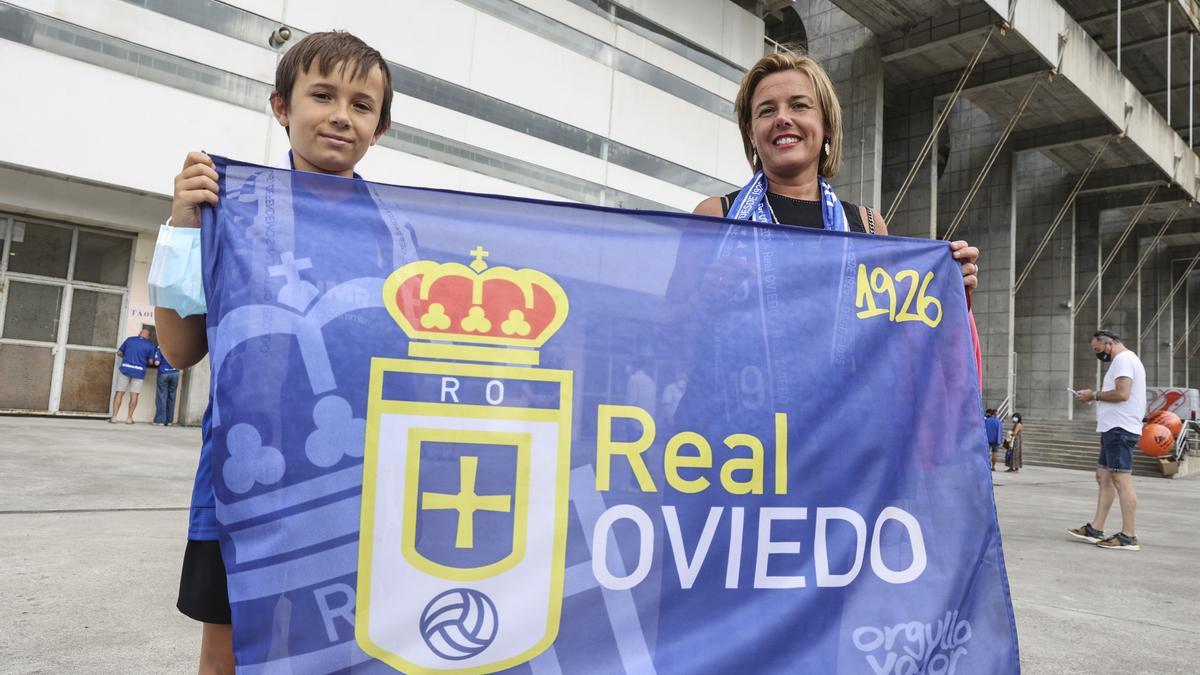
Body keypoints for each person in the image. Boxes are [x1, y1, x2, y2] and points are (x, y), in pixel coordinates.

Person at [153, 31, 395, 674]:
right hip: (245, 483)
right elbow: (179, 350)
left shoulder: (398, 231)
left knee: (348, 651)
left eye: (362, 104)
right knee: (228, 656)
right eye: (322, 94)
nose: (342, 114)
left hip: (359, 490)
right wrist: (183, 223)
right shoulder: (228, 207)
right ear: (281, 107)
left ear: (380, 128)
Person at [692, 51, 980, 295]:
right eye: (766, 111)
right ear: (751, 134)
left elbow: (890, 330)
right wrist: (704, 297)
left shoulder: (869, 226)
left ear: (827, 124)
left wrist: (949, 291)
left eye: (799, 105)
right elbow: (670, 334)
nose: (782, 118)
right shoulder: (715, 217)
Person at [1069, 330, 1146, 551]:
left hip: (1120, 429)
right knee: (1103, 476)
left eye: (1098, 349)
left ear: (1109, 344)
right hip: (1112, 429)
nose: (1098, 354)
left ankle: (1128, 535)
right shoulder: (1124, 360)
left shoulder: (1123, 359)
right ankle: (1096, 528)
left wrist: (1093, 395)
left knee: (1122, 480)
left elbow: (1122, 394)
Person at [110, 327, 156, 424]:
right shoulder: (150, 345)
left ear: (139, 333)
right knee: (134, 395)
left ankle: (114, 417)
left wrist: (126, 357)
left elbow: (119, 353)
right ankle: (129, 418)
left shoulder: (130, 340)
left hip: (125, 369)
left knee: (119, 393)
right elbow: (151, 361)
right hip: (139, 372)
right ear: (148, 336)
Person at [152, 345, 180, 426]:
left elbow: (157, 363)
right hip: (175, 373)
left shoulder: (161, 346)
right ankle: (169, 420)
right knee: (172, 396)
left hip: (164, 372)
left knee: (161, 396)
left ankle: (160, 420)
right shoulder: (177, 347)